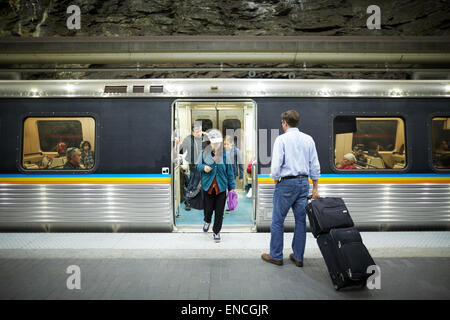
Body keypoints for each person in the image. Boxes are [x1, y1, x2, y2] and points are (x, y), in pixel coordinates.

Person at [261, 110, 320, 267]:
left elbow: (276, 166)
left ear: (285, 123)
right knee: (301, 221)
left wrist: (275, 180)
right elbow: (314, 165)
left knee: (277, 221)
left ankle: (276, 255)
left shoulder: (281, 139)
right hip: (303, 184)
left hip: (286, 183)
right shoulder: (308, 139)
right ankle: (299, 257)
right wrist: (315, 188)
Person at [196, 129, 236, 242]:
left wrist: (232, 187)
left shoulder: (225, 155)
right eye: (214, 143)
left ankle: (216, 231)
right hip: (207, 188)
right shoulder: (204, 154)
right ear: (210, 142)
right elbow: (197, 166)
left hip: (221, 188)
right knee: (208, 210)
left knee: (219, 212)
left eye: (218, 143)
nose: (216, 145)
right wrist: (203, 167)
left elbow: (230, 172)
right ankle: (207, 220)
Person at [178, 123, 205, 211]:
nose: (199, 133)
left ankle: (203, 202)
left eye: (200, 131)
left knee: (206, 184)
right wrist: (178, 145)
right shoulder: (188, 139)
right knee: (193, 185)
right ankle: (188, 202)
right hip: (194, 166)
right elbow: (181, 151)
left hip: (205, 165)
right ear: (193, 132)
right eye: (197, 131)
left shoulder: (204, 139)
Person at [224, 136, 244, 212]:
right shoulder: (222, 151)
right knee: (223, 191)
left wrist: (241, 176)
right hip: (224, 174)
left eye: (227, 144)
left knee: (230, 190)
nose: (226, 146)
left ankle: (230, 206)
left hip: (233, 174)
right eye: (225, 144)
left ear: (231, 144)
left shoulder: (236, 151)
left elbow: (240, 163)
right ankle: (221, 206)